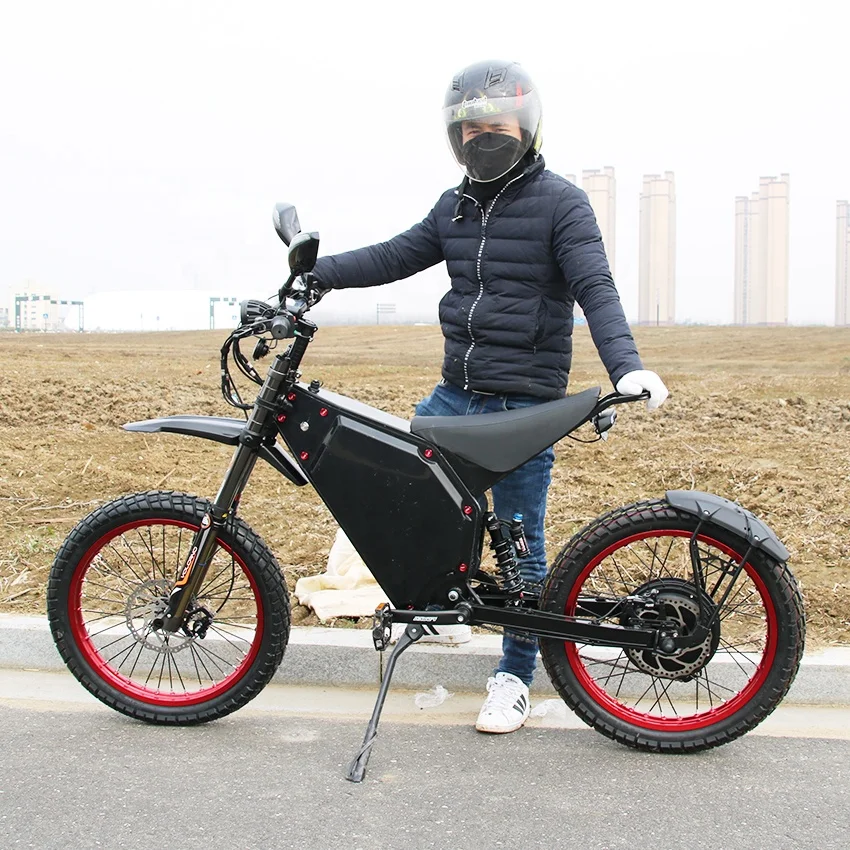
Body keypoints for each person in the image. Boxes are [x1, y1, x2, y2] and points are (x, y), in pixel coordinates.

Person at [310, 59, 668, 734]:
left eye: (494, 126)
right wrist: (316, 272)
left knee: (523, 545)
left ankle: (513, 676)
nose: (482, 137)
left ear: (526, 128)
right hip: (455, 397)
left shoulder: (560, 202)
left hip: (523, 407)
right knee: (411, 495)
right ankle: (447, 609)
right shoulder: (455, 205)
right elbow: (393, 256)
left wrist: (627, 366)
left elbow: (596, 286)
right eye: (469, 128)